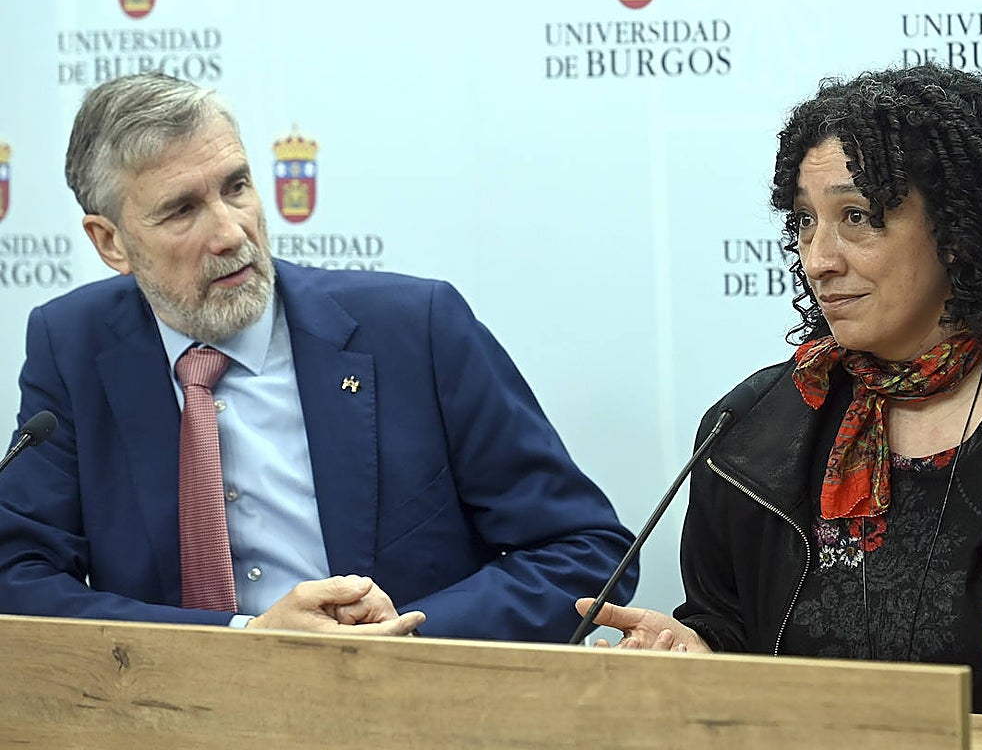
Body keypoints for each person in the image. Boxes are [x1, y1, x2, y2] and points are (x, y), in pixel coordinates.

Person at [577, 63, 982, 720]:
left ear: (960, 233)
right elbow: (733, 632)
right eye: (804, 222)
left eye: (856, 217)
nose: (818, 258)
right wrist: (696, 653)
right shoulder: (749, 428)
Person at [0, 71, 637, 641]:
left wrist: (407, 637)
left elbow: (585, 550)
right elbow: (16, 575)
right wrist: (240, 635)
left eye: (237, 186)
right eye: (182, 211)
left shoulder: (414, 330)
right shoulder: (72, 343)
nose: (230, 232)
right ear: (109, 241)